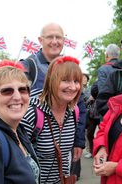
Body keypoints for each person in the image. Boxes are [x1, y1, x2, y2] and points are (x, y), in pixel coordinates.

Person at [21, 22, 86, 173]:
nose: (55, 41)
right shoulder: (29, 65)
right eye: (50, 37)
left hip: (62, 157)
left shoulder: (70, 66)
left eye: (59, 37)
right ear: (40, 40)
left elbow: (80, 105)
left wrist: (79, 141)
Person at [21, 56, 83, 184]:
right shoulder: (31, 113)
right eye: (65, 80)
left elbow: (65, 153)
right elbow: (19, 161)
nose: (73, 87)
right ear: (52, 80)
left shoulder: (74, 111)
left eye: (76, 81)